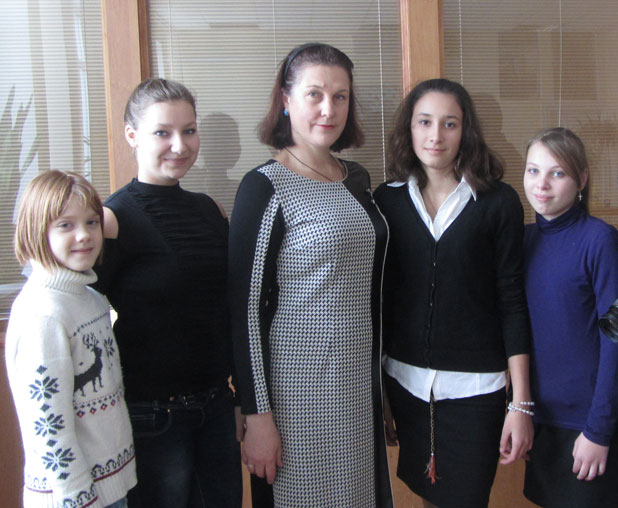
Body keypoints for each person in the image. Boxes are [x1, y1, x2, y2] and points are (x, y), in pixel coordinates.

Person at [228, 42, 393, 508]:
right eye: (314, 94)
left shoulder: (356, 178)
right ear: (286, 99)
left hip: (357, 386)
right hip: (296, 391)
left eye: (340, 96)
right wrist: (257, 415)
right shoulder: (265, 186)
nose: (328, 109)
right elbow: (244, 311)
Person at [375, 78, 533, 508]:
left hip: (476, 391)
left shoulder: (498, 202)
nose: (436, 135)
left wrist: (521, 404)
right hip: (406, 386)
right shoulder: (386, 201)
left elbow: (512, 302)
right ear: (409, 128)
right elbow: (381, 302)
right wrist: (380, 392)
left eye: (450, 123)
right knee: (427, 495)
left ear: (466, 131)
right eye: (424, 122)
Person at [92, 78, 242, 508]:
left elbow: (228, 308)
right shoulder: (111, 219)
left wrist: (240, 401)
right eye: (163, 132)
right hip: (152, 416)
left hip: (216, 406)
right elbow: (80, 312)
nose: (180, 145)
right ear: (132, 135)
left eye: (189, 130)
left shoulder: (209, 209)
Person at [6, 170, 137, 508]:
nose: (84, 235)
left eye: (92, 222)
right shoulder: (43, 314)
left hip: (110, 487)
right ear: (37, 230)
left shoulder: (90, 299)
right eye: (66, 225)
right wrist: (78, 497)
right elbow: (48, 428)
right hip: (75, 497)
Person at [520, 128, 618, 507]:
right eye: (533, 171)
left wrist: (598, 430)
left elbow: (616, 339)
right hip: (538, 419)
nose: (542, 184)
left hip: (586, 422)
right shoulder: (522, 239)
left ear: (581, 179)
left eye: (557, 173)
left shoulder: (600, 239)